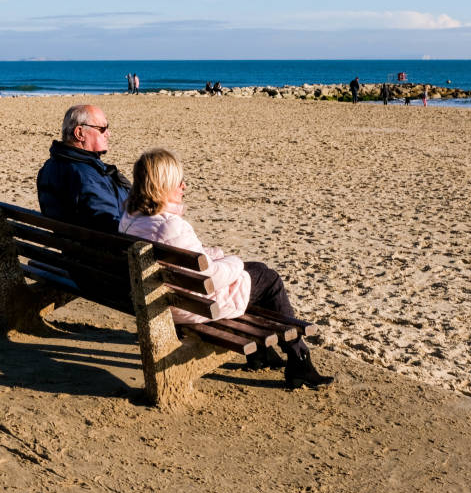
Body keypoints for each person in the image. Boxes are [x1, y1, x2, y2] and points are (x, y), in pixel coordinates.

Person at [118, 148, 334, 389]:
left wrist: (216, 258)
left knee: (256, 275)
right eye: (179, 181)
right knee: (267, 279)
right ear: (163, 184)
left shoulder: (130, 217)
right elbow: (210, 277)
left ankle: (261, 355)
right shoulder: (170, 226)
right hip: (193, 306)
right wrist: (235, 262)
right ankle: (300, 361)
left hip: (161, 300)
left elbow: (191, 261)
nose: (184, 186)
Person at [37, 105, 131, 233]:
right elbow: (108, 226)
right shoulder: (87, 176)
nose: (108, 134)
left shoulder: (50, 166)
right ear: (80, 133)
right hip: (100, 248)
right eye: (102, 129)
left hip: (70, 246)